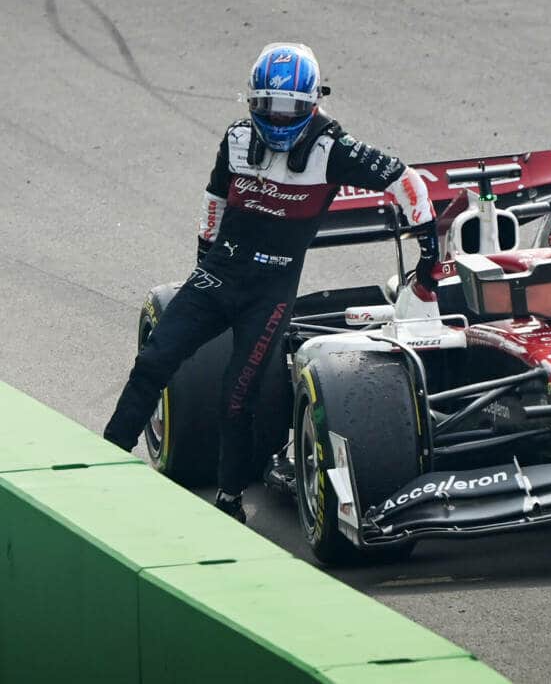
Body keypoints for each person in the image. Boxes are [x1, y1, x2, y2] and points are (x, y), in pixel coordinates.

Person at [103, 42, 439, 522]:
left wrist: (428, 256)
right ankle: (108, 459)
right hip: (219, 275)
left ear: (313, 103)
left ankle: (230, 500)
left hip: (271, 294)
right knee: (152, 362)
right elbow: (215, 199)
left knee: (236, 398)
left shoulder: (334, 149)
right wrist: (204, 258)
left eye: (289, 109)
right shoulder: (237, 138)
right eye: (268, 107)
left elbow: (409, 182)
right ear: (252, 102)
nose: (279, 119)